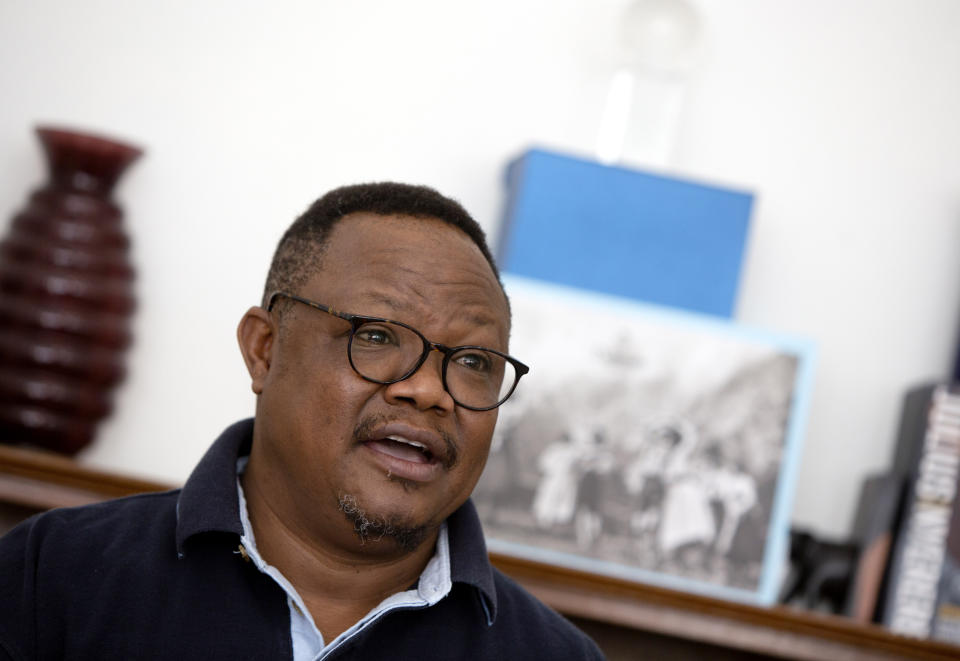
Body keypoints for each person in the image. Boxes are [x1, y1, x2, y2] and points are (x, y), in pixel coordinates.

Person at [0, 182, 604, 660]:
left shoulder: (555, 655)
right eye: (374, 335)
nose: (427, 391)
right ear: (265, 349)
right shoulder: (52, 575)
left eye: (473, 361)